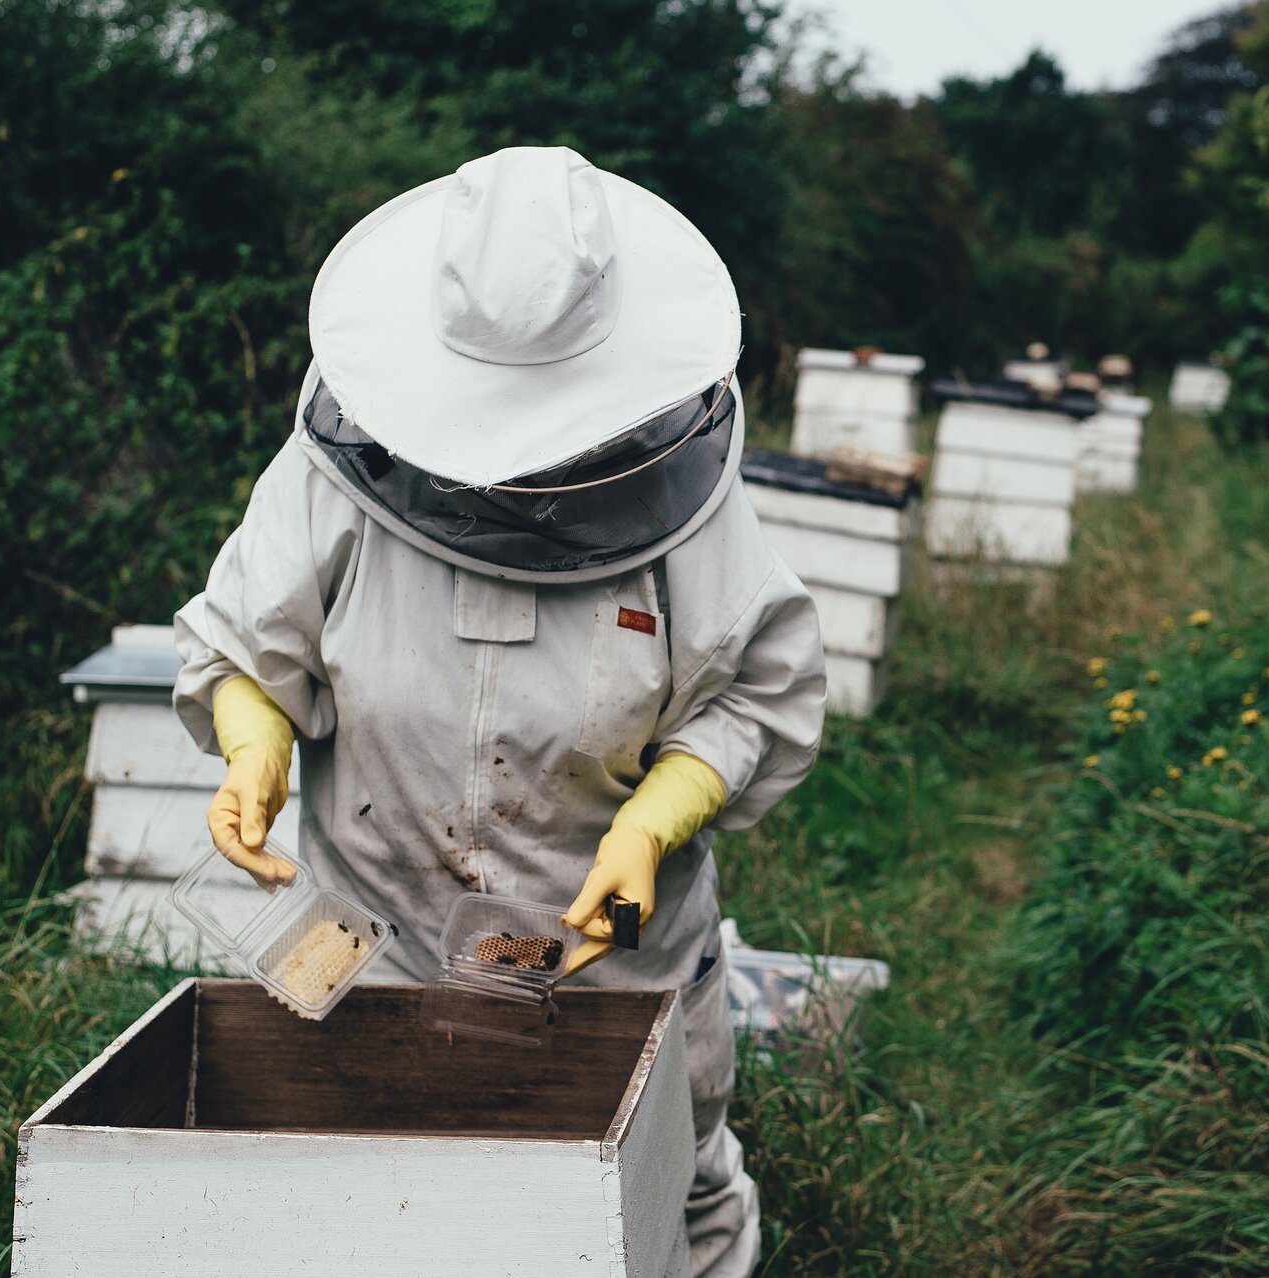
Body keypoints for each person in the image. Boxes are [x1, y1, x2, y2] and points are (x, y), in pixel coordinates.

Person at [172, 146, 825, 1278]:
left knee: (667, 1194)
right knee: (385, 1209)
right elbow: (248, 642)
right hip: (368, 942)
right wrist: (253, 743)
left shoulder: (693, 510)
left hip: (604, 957)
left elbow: (751, 696)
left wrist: (650, 826)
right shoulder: (334, 472)